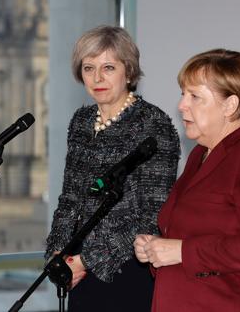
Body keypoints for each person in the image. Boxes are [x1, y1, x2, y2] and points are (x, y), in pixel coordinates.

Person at [134, 49, 240, 312]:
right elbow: (187, 235)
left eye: (194, 96)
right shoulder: (200, 154)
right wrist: (155, 249)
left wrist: (182, 251)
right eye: (183, 94)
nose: (182, 105)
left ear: (230, 105)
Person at [45, 25, 180, 312]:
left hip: (126, 268)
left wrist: (85, 260)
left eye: (108, 67)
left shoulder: (153, 125)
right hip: (78, 272)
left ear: (128, 72)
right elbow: (69, 199)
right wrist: (57, 254)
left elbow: (152, 215)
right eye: (88, 68)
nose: (97, 78)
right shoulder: (80, 122)